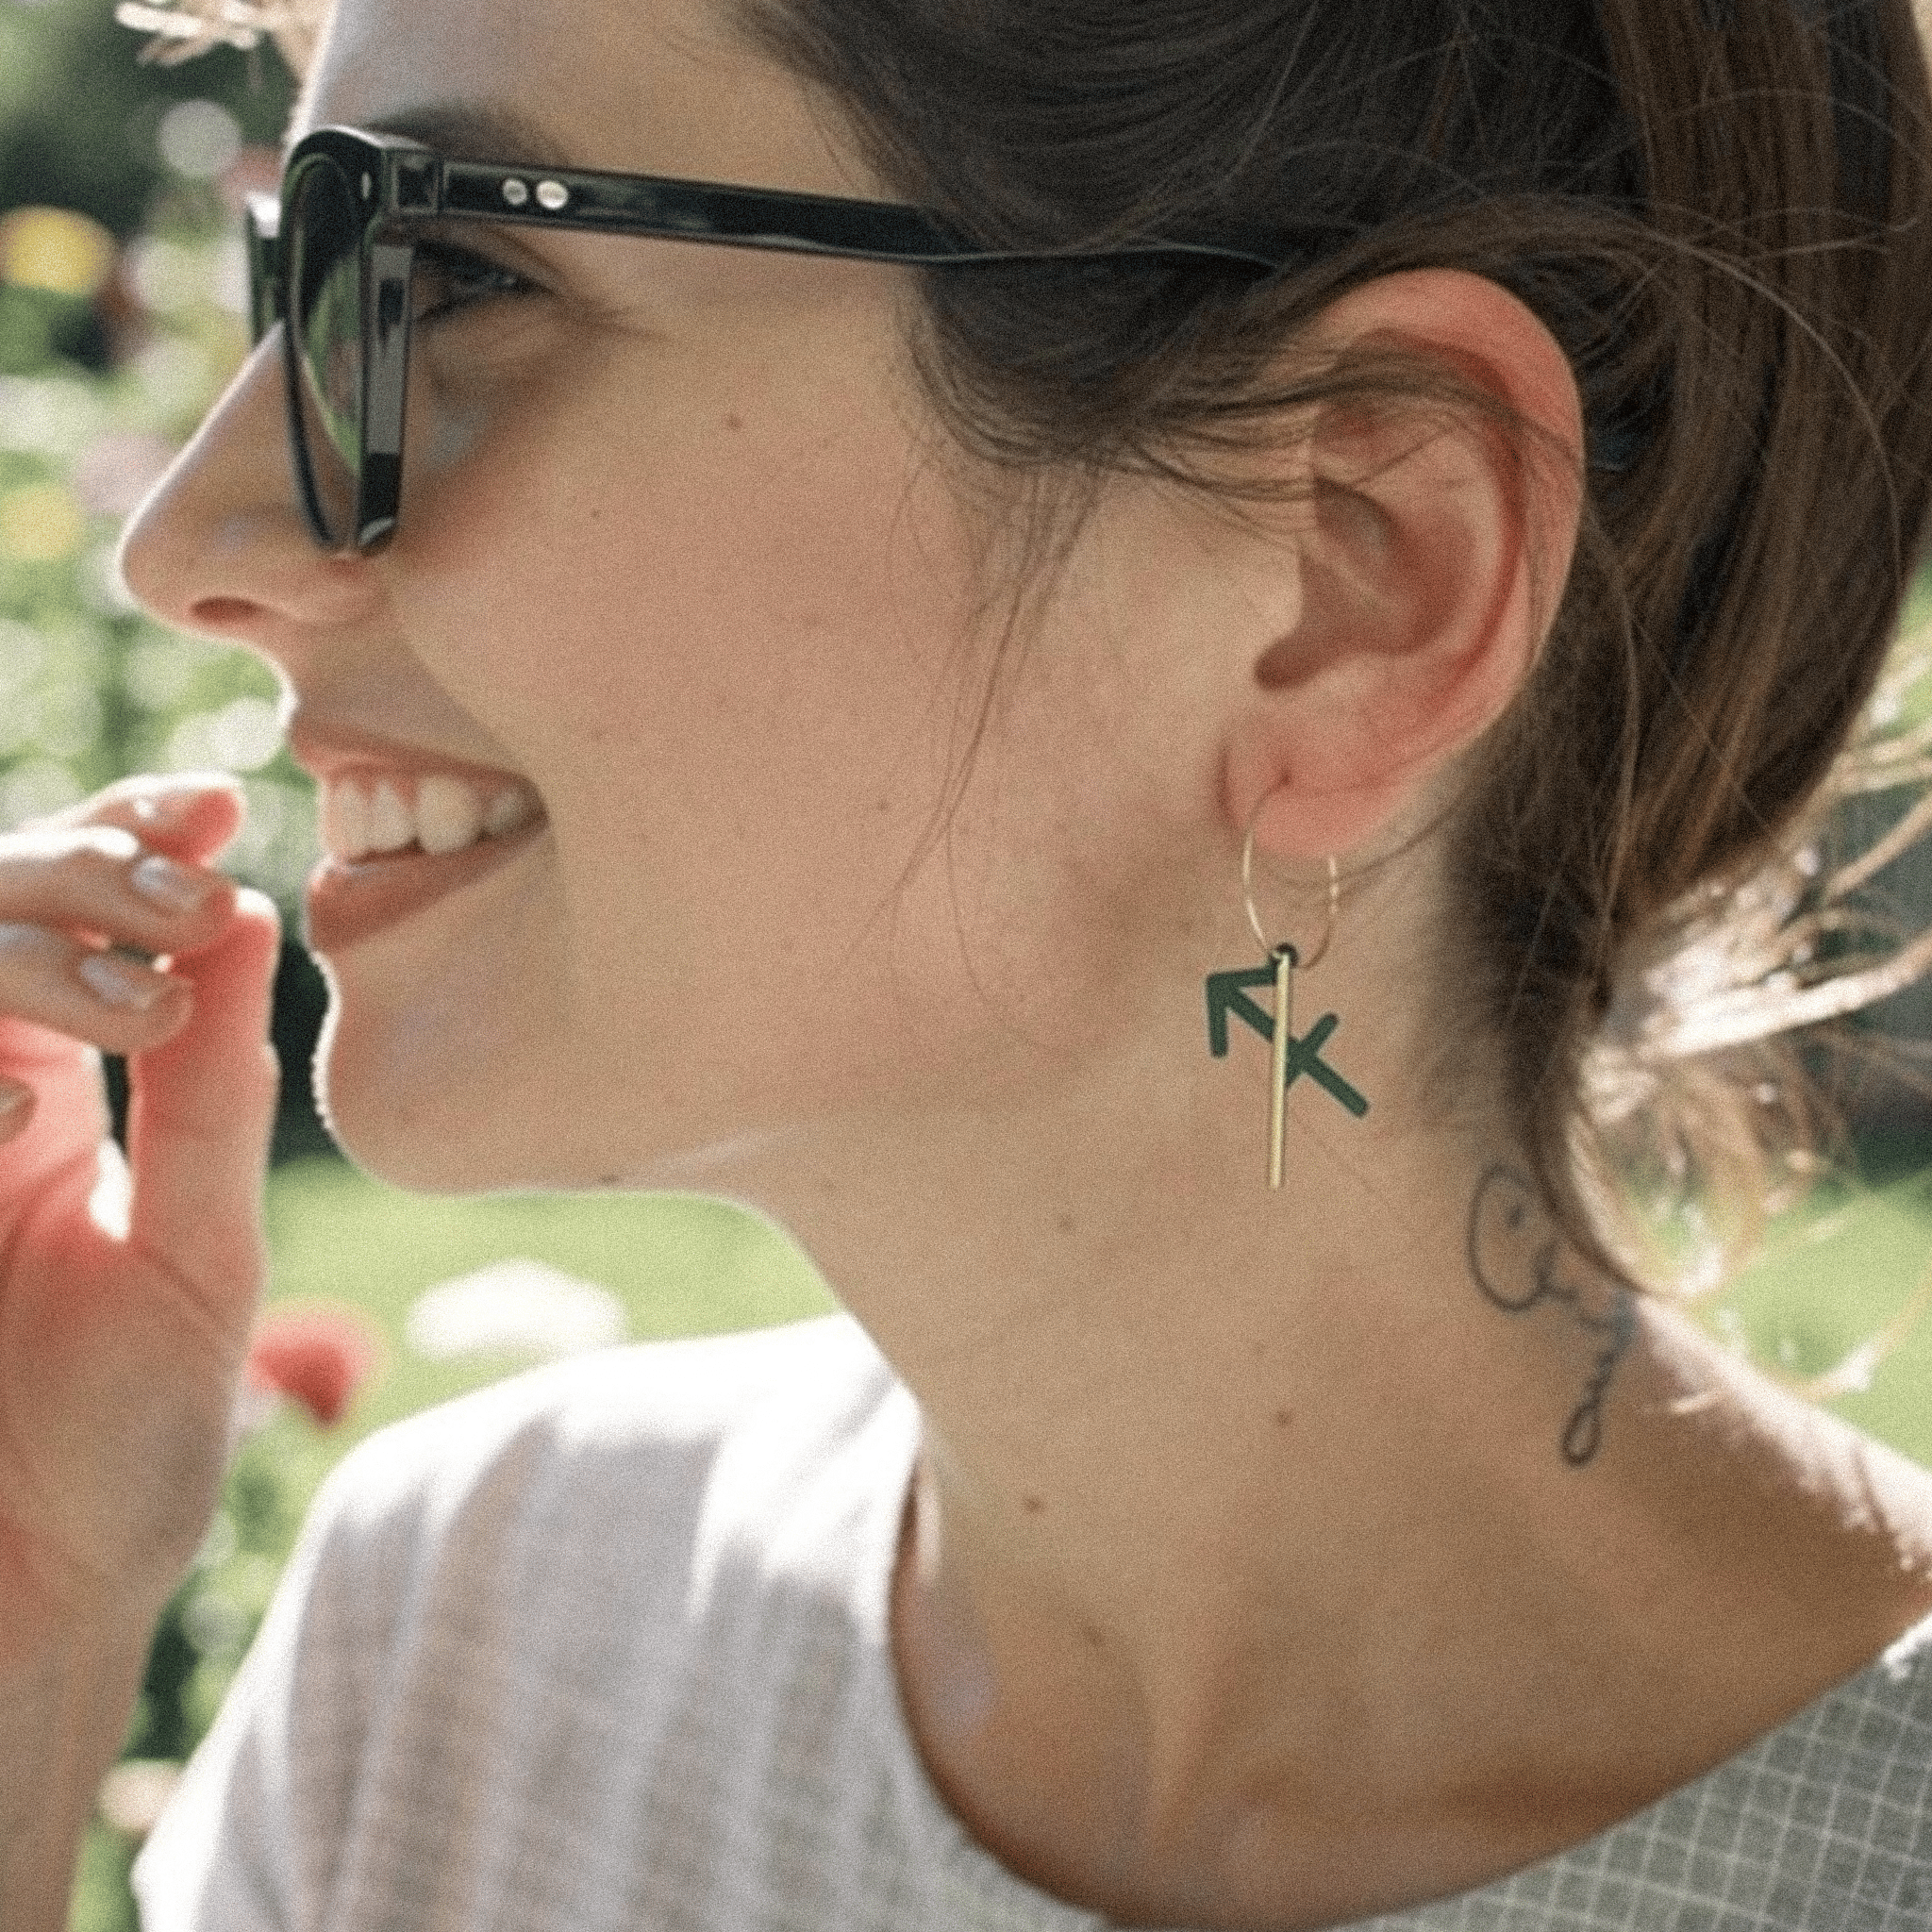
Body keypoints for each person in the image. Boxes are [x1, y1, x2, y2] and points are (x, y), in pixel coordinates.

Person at [8, 0, 1932, 1925]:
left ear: (1351, 571)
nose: (183, 541)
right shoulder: (462, 1654)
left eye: (442, 274)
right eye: (298, 272)